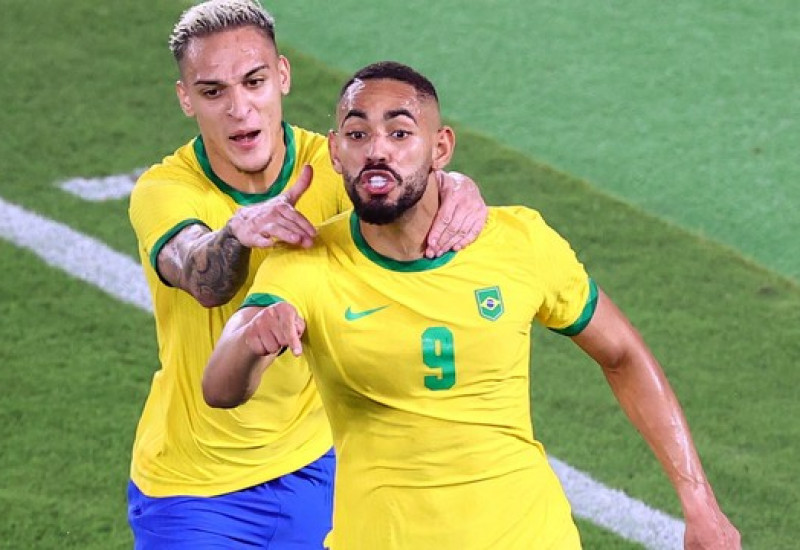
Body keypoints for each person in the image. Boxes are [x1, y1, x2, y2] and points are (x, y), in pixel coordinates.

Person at [202, 61, 742, 549]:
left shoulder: (519, 241)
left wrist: (699, 502)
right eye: (358, 133)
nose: (377, 149)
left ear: (440, 148)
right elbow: (221, 388)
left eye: (399, 132)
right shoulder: (305, 261)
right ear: (336, 151)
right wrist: (250, 341)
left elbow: (621, 352)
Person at [126, 2, 487, 548]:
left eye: (254, 82)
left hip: (320, 469)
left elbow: (406, 174)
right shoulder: (164, 190)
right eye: (213, 92)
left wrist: (456, 183)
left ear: (283, 77)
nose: (240, 109)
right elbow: (200, 276)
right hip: (196, 489)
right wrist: (239, 232)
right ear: (186, 100)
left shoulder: (334, 165)